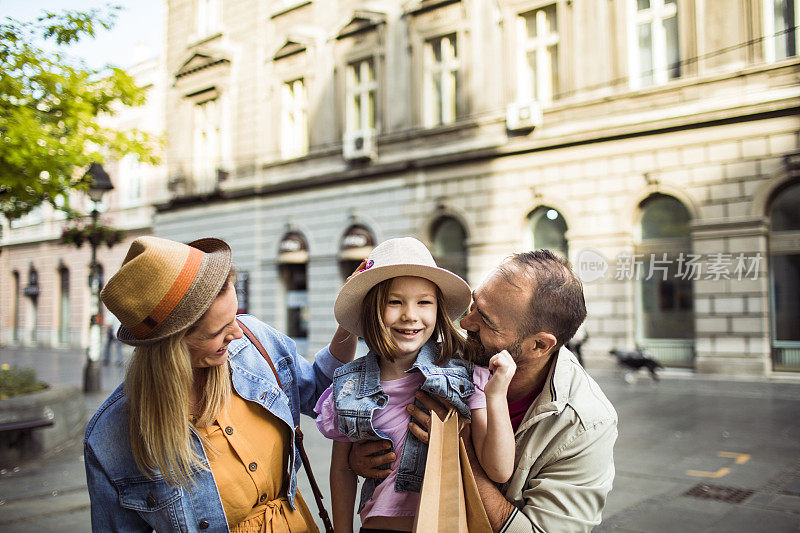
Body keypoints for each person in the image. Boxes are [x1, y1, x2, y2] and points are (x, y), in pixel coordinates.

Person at [84, 236, 357, 532]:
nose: (238, 333)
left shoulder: (258, 342)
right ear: (170, 349)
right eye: (218, 330)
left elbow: (323, 391)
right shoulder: (109, 437)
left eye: (235, 316)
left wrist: (351, 317)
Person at [350, 250, 617, 533]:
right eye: (473, 305)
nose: (465, 324)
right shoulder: (445, 356)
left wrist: (457, 448)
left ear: (539, 345)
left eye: (486, 321)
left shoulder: (586, 423)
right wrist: (363, 456)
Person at [314, 237, 517, 533]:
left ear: (438, 310)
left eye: (424, 302)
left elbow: (499, 469)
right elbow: (342, 470)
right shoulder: (348, 387)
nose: (410, 315)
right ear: (371, 310)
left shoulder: (466, 376)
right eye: (394, 302)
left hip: (449, 524)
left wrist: (495, 395)